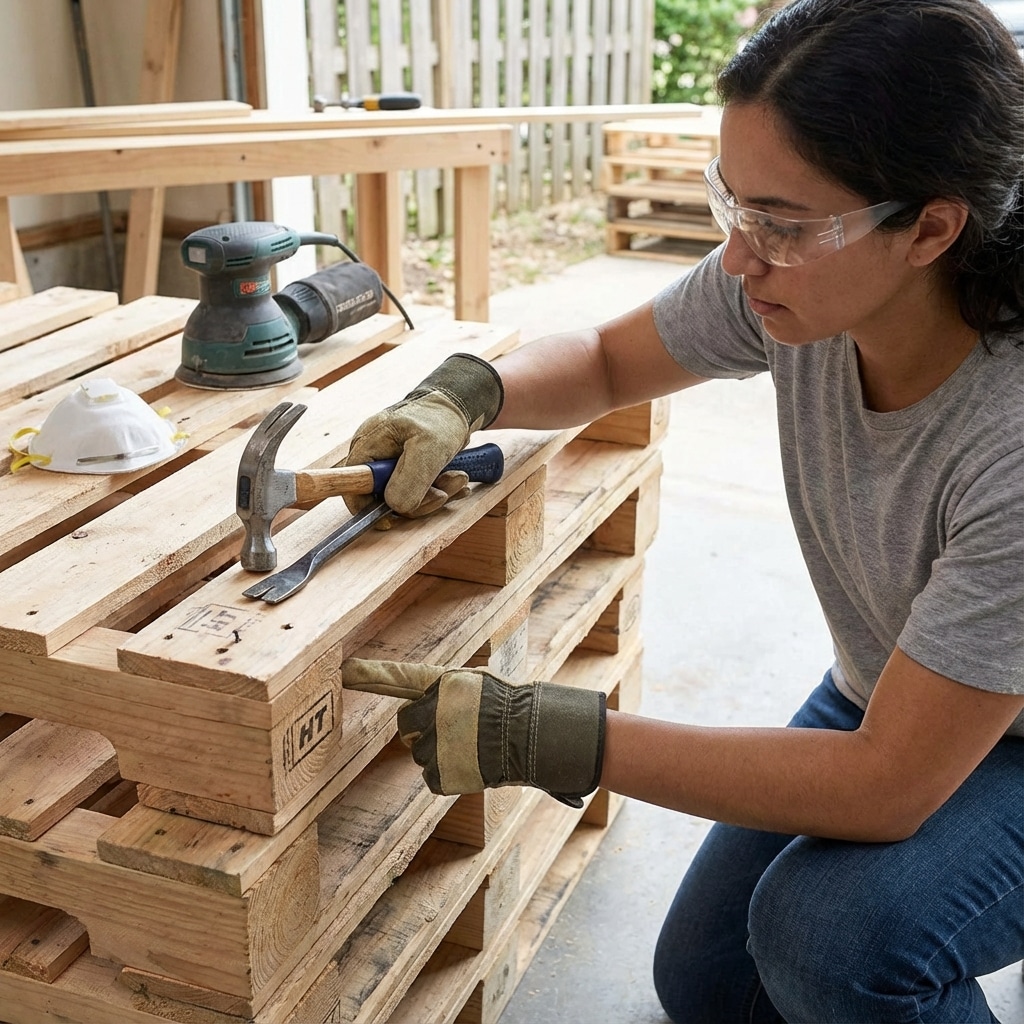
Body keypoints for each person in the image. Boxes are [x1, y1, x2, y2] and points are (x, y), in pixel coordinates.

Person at [340, 1, 1024, 1020]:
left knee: (830, 943)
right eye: (735, 206)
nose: (741, 259)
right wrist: (465, 390)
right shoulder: (794, 288)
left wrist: (546, 732)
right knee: (709, 982)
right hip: (894, 687)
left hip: (985, 737)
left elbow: (887, 785)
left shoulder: (1008, 437)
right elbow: (610, 359)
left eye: (784, 225)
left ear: (931, 225)